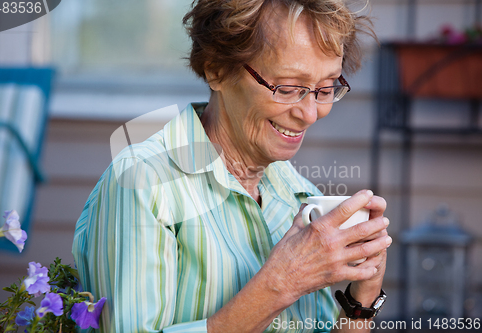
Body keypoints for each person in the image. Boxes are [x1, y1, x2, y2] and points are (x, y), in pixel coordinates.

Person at [72, 0, 391, 332]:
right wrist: (282, 283)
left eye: (325, 89)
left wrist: (361, 301)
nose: (310, 113)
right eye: (287, 88)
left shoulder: (301, 197)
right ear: (217, 70)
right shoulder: (143, 184)